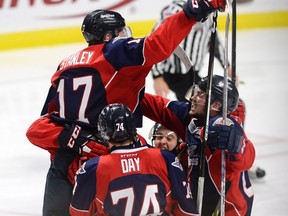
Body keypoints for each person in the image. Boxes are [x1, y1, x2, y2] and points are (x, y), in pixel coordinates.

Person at [26, 2, 227, 215]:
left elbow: (47, 119)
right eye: (120, 31)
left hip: (64, 166)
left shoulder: (64, 65)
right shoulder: (115, 51)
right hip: (107, 158)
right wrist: (191, 12)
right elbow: (157, 45)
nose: (124, 34)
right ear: (107, 36)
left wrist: (76, 138)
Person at [141, 75, 255, 215]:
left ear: (216, 105)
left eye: (200, 95)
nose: (193, 97)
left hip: (228, 210)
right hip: (201, 202)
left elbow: (245, 160)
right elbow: (157, 106)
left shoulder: (223, 132)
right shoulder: (193, 117)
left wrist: (238, 145)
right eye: (195, 91)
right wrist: (127, 94)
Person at [69, 103, 199, 215]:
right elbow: (186, 208)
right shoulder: (165, 158)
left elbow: (79, 212)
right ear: (133, 129)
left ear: (103, 133)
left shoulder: (92, 168)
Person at [151, 0, 228, 101]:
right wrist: (158, 77)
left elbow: (213, 41)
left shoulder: (209, 10)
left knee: (203, 104)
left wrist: (227, 65)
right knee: (206, 103)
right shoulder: (175, 9)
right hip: (175, 75)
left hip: (192, 73)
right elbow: (156, 41)